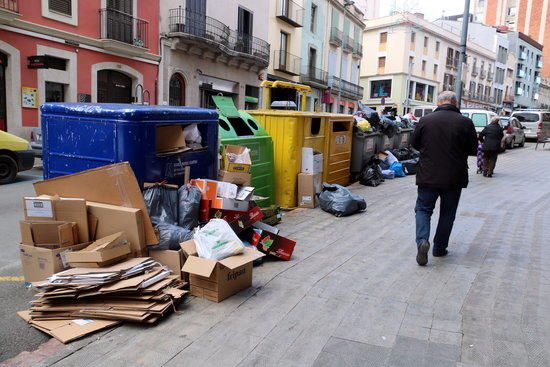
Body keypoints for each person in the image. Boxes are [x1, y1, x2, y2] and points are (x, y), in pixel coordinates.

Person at [410, 91, 478, 266]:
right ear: (455, 103)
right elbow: (473, 149)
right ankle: (439, 248)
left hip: (428, 175)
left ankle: (422, 241)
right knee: (447, 213)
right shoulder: (466, 122)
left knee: (423, 209)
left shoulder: (426, 120)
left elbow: (415, 143)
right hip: (454, 177)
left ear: (438, 103)